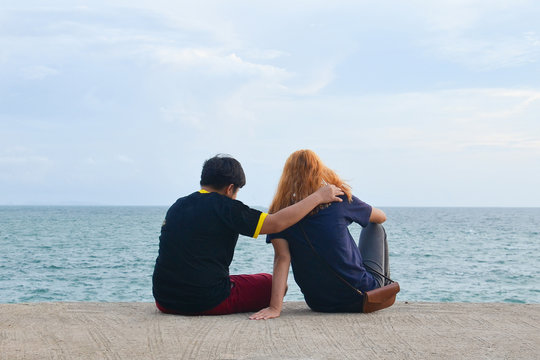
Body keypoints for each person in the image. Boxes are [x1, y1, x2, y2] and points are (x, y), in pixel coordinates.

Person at [152, 154, 344, 315]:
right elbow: (276, 223)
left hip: (164, 300)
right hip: (205, 301)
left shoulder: (177, 206)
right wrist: (319, 196)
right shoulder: (225, 207)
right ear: (230, 188)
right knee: (273, 285)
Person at [250, 149, 389, 320]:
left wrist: (274, 307)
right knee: (375, 226)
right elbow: (381, 217)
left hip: (318, 303)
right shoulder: (339, 200)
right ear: (319, 171)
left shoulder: (280, 214)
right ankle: (384, 289)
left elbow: (282, 258)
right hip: (362, 296)